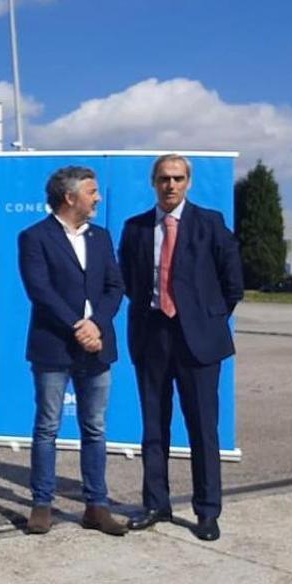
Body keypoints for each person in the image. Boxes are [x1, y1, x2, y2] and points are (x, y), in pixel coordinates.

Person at [119, 154, 243, 541]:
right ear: (152, 183)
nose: (170, 185)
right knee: (154, 426)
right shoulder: (136, 228)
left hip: (199, 342)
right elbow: (128, 280)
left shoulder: (210, 224)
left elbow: (232, 283)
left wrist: (207, 318)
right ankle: (156, 503)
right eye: (163, 179)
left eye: (177, 178)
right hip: (152, 335)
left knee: (203, 428)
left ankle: (207, 511)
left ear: (188, 182)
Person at [17, 166, 127, 536]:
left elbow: (115, 287)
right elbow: (40, 290)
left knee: (94, 428)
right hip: (54, 346)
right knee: (47, 426)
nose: (97, 198)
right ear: (70, 197)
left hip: (97, 346)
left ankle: (96, 506)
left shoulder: (101, 237)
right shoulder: (34, 237)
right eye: (92, 191)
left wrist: (96, 324)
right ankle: (42, 504)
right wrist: (77, 327)